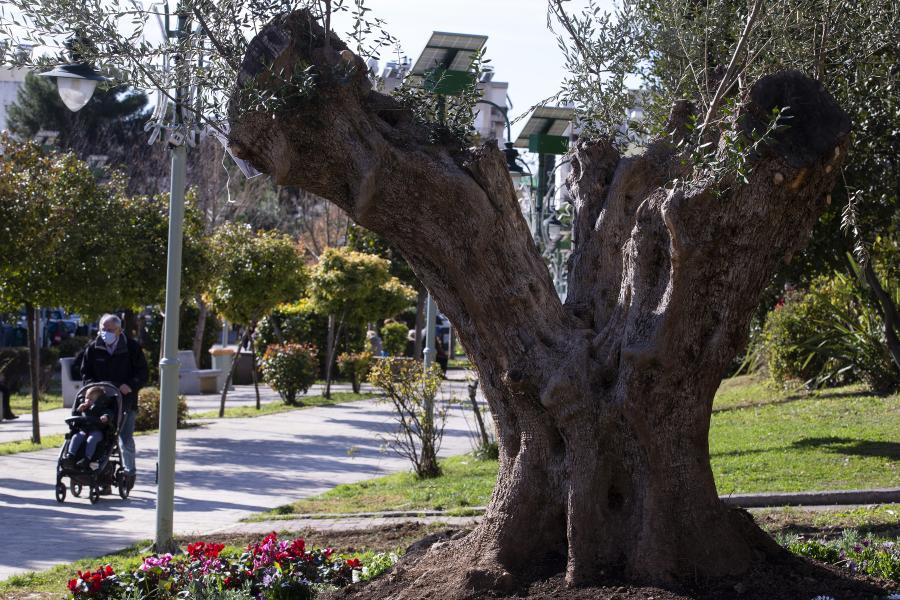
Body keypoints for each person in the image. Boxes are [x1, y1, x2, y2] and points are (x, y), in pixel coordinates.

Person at [81, 314, 148, 489]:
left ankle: (129, 472)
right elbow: (85, 374)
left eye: (110, 330)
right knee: (101, 438)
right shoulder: (93, 349)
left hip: (124, 400)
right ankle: (101, 473)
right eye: (103, 329)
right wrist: (93, 389)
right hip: (100, 401)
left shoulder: (132, 348)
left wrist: (131, 385)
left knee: (125, 438)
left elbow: (143, 373)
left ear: (119, 330)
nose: (106, 333)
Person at [62, 385, 115, 470]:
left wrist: (106, 417)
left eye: (91, 399)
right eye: (86, 398)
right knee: (76, 437)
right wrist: (78, 410)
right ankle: (70, 456)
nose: (87, 401)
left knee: (91, 439)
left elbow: (109, 413)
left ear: (99, 401)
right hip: (84, 430)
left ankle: (87, 458)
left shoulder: (102, 408)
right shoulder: (83, 408)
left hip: (97, 431)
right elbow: (76, 418)